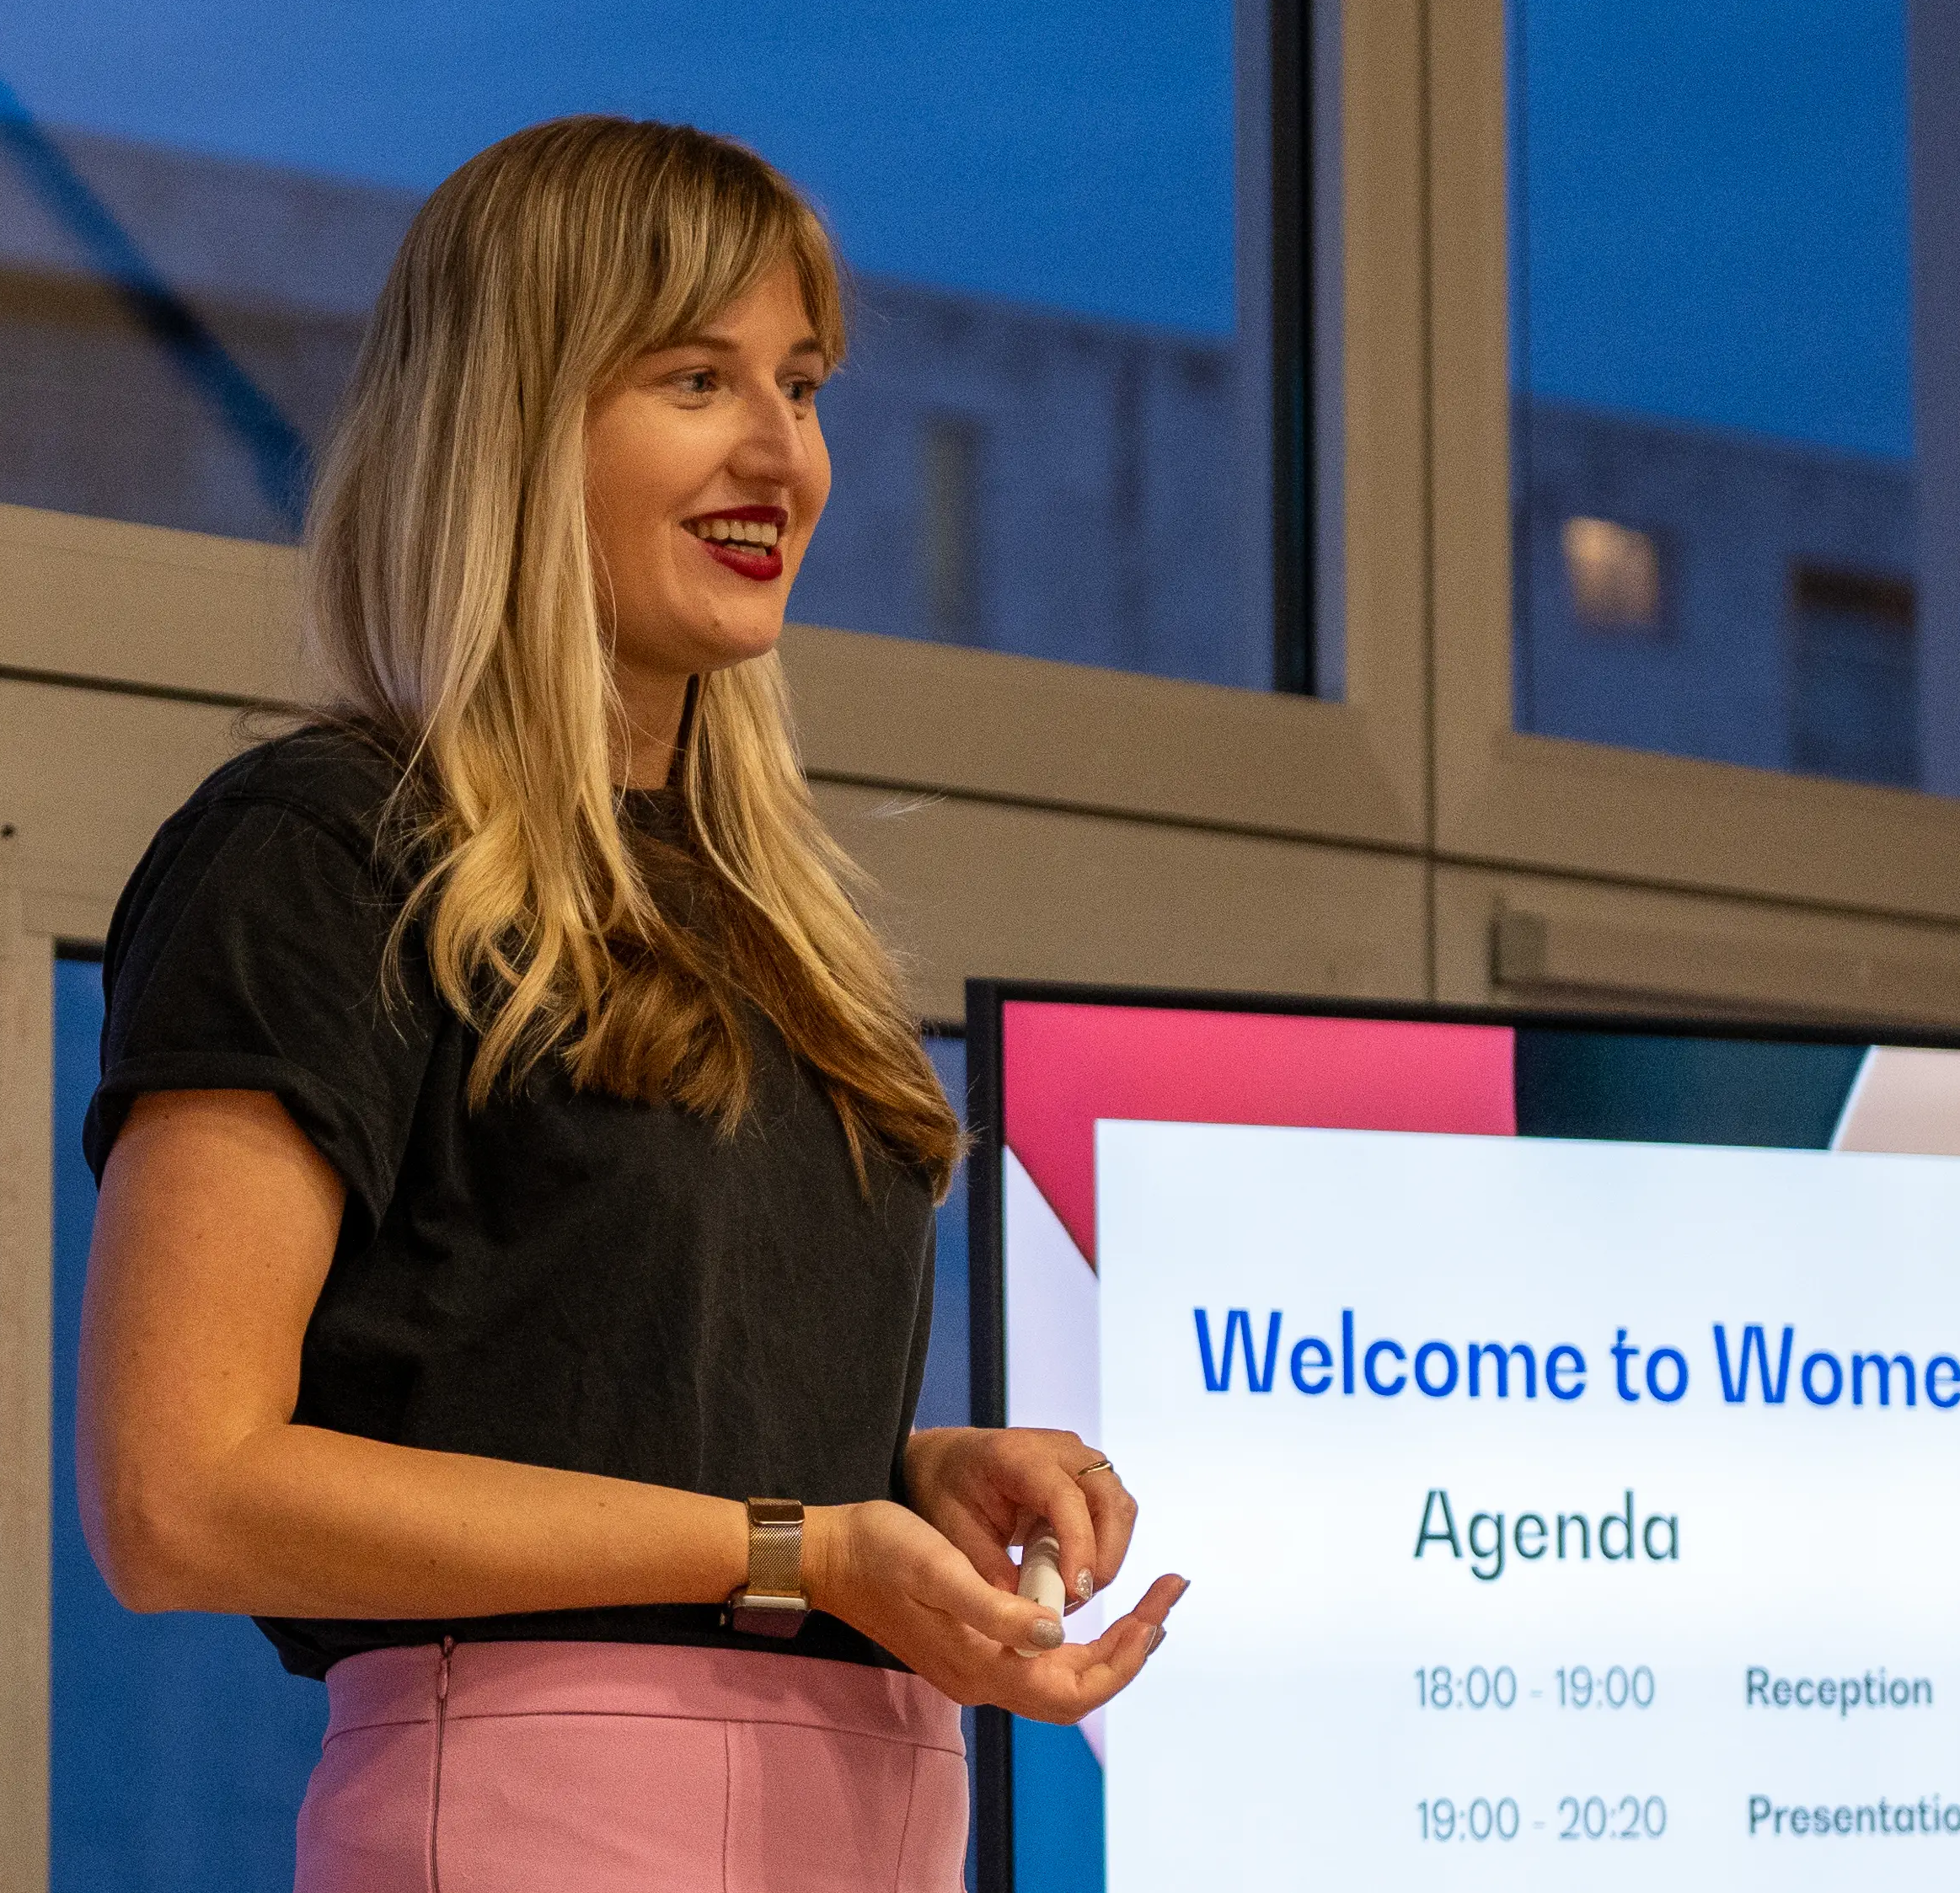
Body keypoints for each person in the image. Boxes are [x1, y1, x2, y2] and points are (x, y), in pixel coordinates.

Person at [73, 115, 1189, 1892]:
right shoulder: (319, 853)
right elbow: (177, 1493)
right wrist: (797, 1547)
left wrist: (896, 1480)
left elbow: (560, 1362)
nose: (783, 455)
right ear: (514, 425)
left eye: (804, 387)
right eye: (696, 378)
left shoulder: (772, 923)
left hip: (871, 1815)